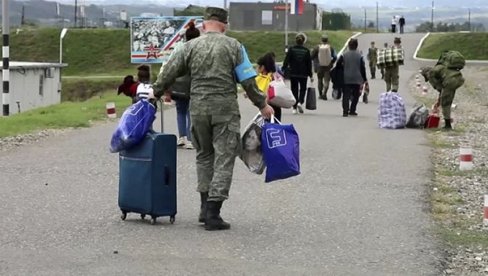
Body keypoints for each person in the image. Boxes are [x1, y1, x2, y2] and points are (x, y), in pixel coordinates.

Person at [152, 7, 274, 231]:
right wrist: (262, 104)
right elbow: (248, 80)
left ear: (204, 24)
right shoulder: (234, 46)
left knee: (204, 156)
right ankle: (213, 212)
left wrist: (155, 93)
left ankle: (203, 206)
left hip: (197, 109)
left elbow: (168, 72)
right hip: (224, 110)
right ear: (224, 25)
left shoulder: (189, 46)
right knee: (225, 158)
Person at [162, 22, 200, 150]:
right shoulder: (199, 49)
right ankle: (190, 139)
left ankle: (182, 137)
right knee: (190, 111)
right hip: (192, 84)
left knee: (180, 111)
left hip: (178, 84)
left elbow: (169, 64)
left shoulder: (179, 48)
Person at [420, 51, 465, 130]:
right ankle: (448, 123)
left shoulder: (431, 73)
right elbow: (441, 88)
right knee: (447, 99)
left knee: (445, 104)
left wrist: (440, 95)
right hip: (458, 79)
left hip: (450, 81)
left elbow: (438, 87)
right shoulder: (441, 67)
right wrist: (441, 95)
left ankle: (448, 126)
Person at [282, 33, 313, 114]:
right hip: (303, 74)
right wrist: (311, 75)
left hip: (293, 73)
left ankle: (294, 108)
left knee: (294, 90)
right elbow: (309, 64)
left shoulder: (291, 49)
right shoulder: (306, 51)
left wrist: (283, 69)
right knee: (303, 89)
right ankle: (300, 102)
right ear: (303, 42)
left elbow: (286, 60)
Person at [336, 38, 367, 117]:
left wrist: (343, 68)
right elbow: (362, 68)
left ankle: (345, 111)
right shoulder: (359, 55)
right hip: (357, 78)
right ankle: (352, 110)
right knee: (356, 95)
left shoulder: (344, 55)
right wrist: (364, 78)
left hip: (346, 77)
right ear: (356, 46)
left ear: (349, 46)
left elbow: (338, 65)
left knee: (346, 94)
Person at [255, 53, 283, 121]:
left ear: (263, 67)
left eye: (258, 66)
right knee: (276, 127)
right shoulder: (276, 76)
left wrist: (264, 106)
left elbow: (265, 93)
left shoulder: (266, 78)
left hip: (268, 107)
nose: (257, 69)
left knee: (268, 128)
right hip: (277, 106)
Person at [311, 34, 337, 100]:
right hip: (328, 67)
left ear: (321, 40)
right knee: (326, 81)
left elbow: (311, 56)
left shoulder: (317, 47)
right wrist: (332, 62)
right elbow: (335, 56)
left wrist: (315, 62)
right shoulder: (330, 48)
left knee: (319, 80)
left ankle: (320, 94)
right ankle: (324, 94)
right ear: (327, 40)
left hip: (319, 67)